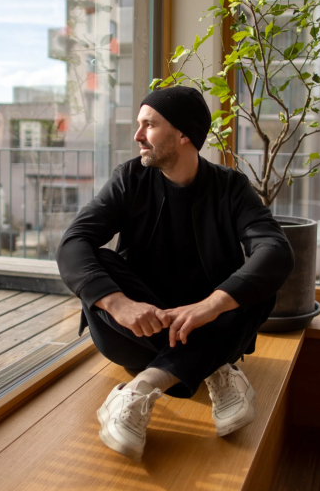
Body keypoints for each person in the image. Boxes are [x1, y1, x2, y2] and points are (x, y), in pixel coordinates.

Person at [56, 85, 294, 460]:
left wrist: (211, 305)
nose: (137, 136)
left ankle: (142, 388)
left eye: (149, 125)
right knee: (96, 258)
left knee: (260, 280)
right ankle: (214, 367)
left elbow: (275, 249)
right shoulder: (129, 178)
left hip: (203, 323)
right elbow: (73, 243)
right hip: (136, 330)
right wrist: (120, 305)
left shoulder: (230, 188)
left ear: (184, 134)